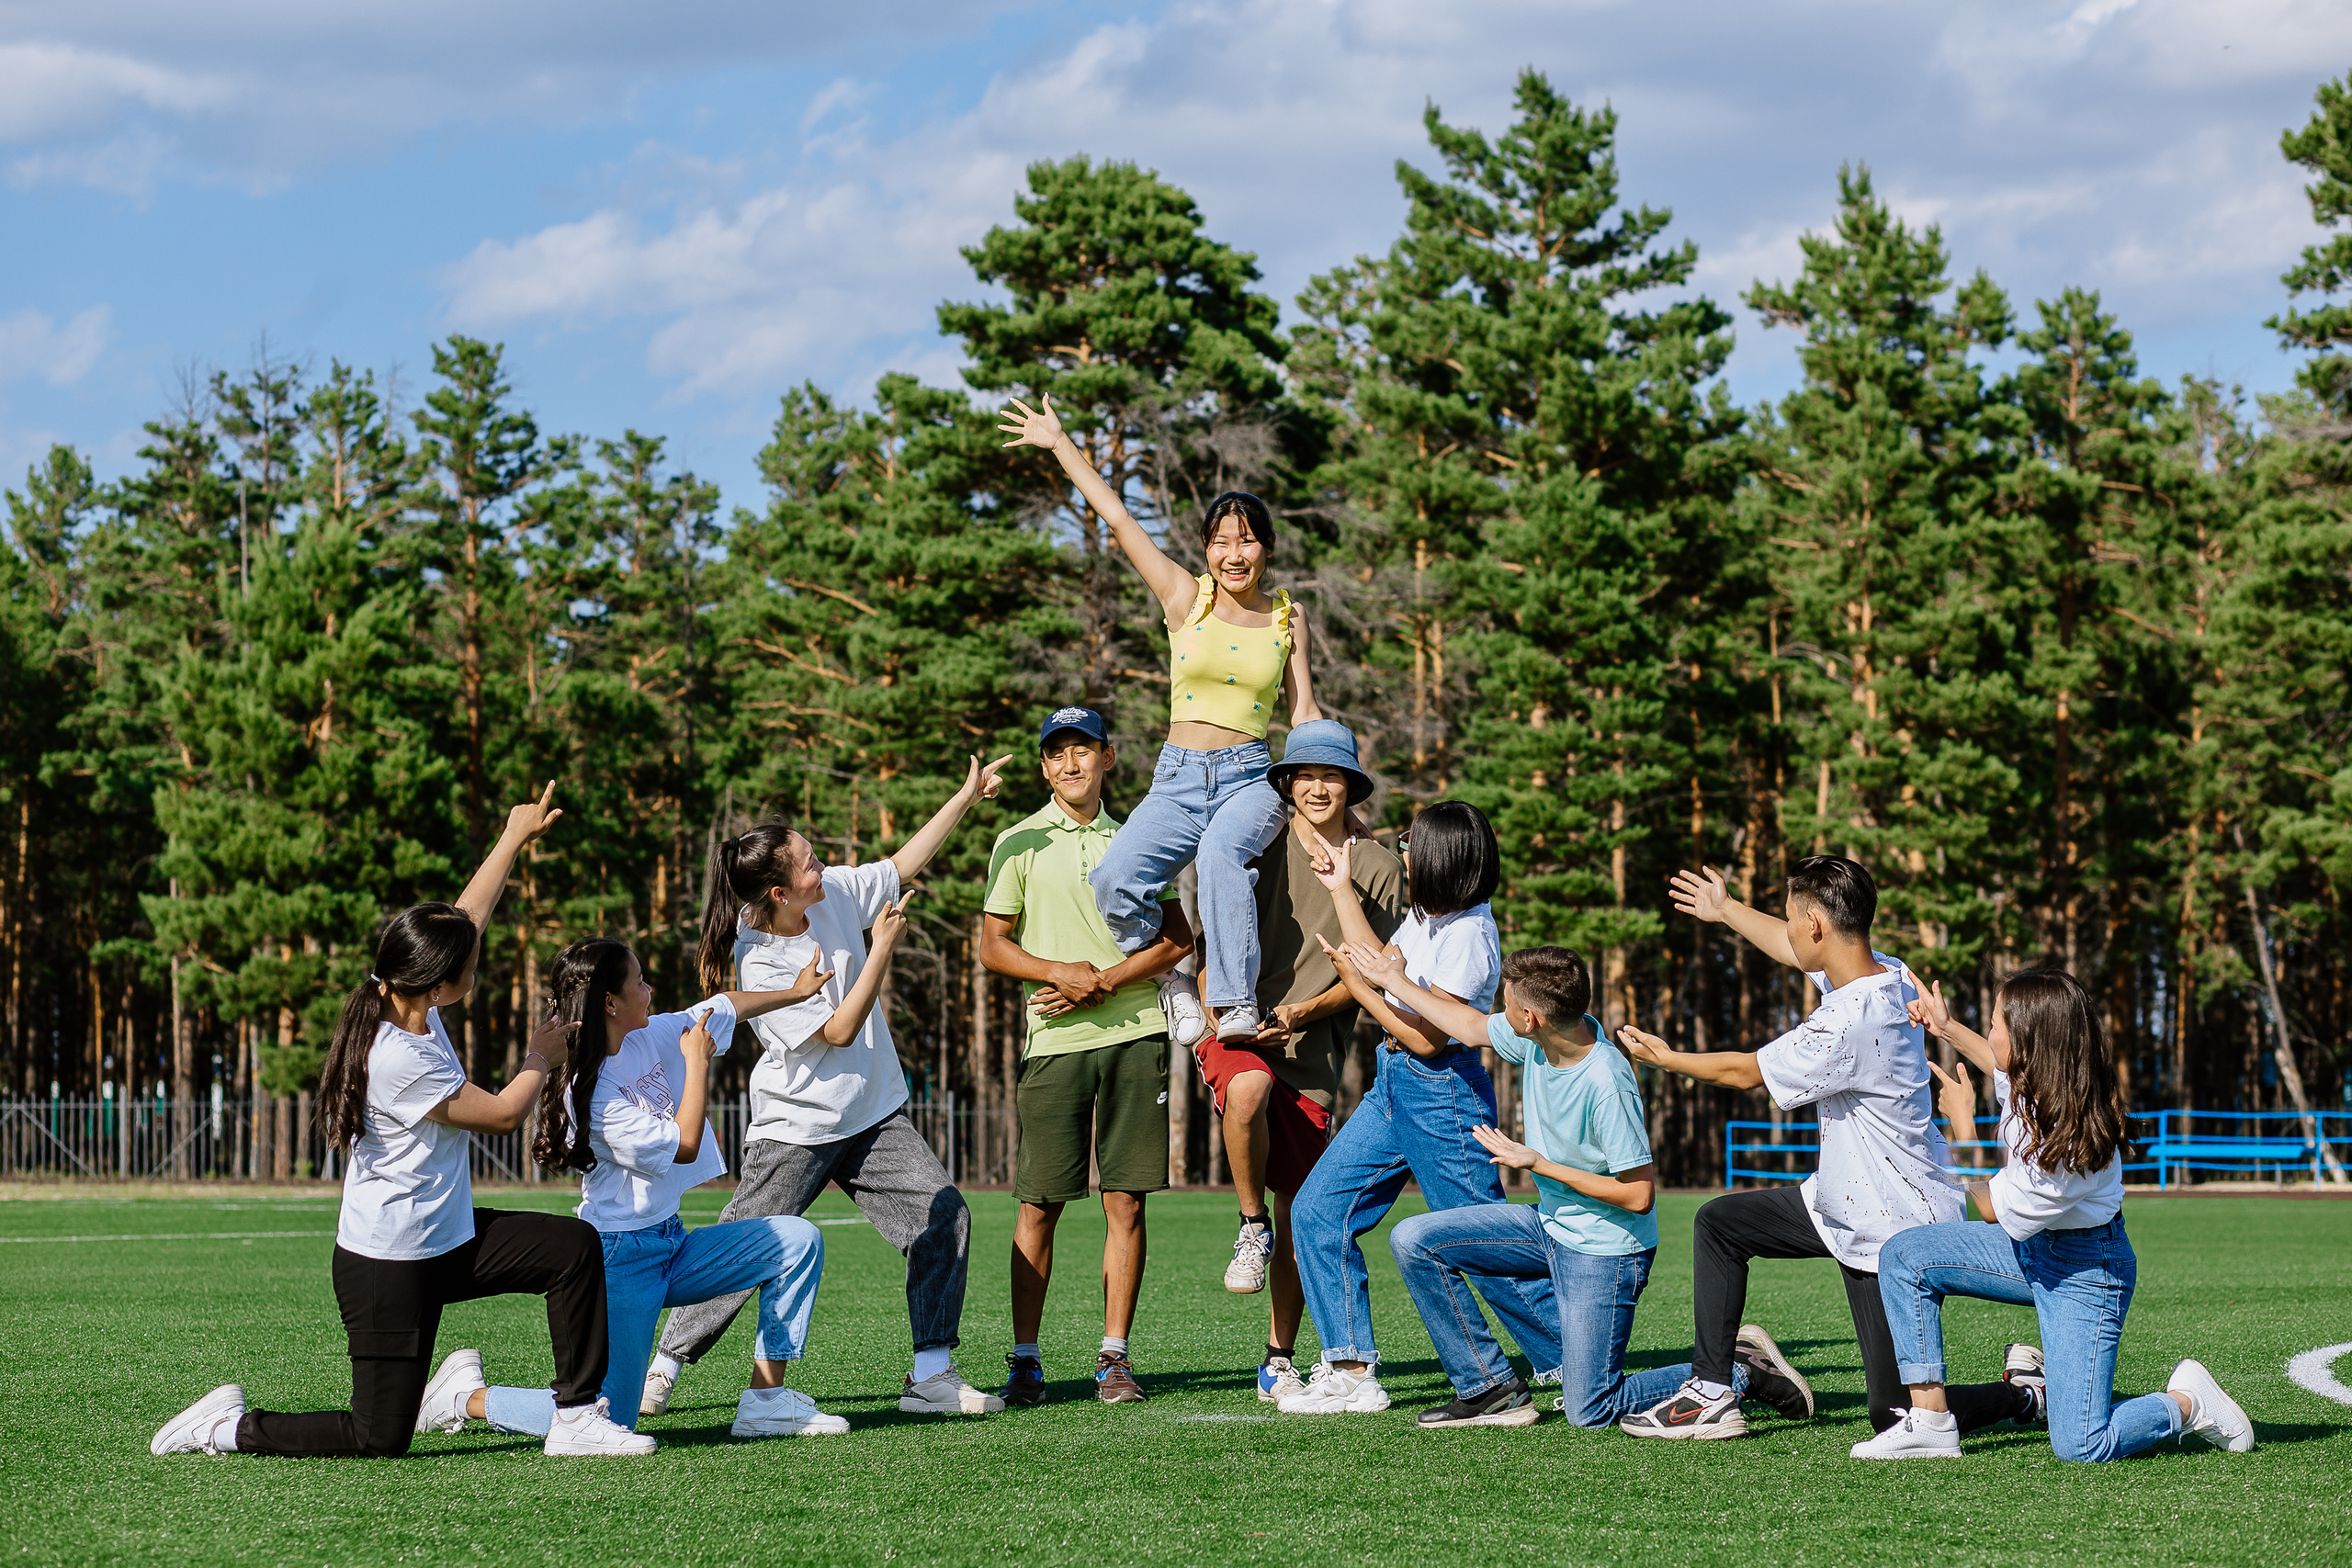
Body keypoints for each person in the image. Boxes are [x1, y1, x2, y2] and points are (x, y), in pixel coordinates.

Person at [152, 786, 649, 1460]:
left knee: (572, 1249)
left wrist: (512, 837)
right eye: (469, 965)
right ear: (440, 984)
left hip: (447, 1240)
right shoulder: (398, 1056)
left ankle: (576, 1416)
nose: (478, 959)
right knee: (376, 1436)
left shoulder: (412, 999)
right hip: (389, 1264)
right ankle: (224, 1427)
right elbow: (503, 1114)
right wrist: (540, 1055)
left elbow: (466, 919)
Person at [640, 755, 1012, 1419]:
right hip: (798, 1128)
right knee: (739, 1246)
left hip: (873, 1114)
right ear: (780, 892)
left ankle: (931, 1373)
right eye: (808, 862)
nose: (823, 864)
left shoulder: (832, 889)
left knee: (945, 1215)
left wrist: (965, 798)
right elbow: (840, 1030)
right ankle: (662, 1369)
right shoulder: (762, 956)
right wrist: (882, 949)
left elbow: (900, 865)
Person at [1611, 856, 2029, 1440]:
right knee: (1722, 1225)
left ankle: (2024, 1395)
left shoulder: (1848, 1022)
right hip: (1842, 1197)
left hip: (1891, 1221)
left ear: (1815, 925)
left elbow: (1743, 1072)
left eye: (1790, 920)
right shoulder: (1890, 972)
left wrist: (1667, 1058)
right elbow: (1793, 950)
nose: (1785, 933)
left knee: (1894, 1412)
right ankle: (1712, 1391)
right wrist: (1726, 909)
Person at [416, 937, 846, 1447]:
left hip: (673, 1243)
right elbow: (685, 1145)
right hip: (617, 1260)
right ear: (609, 1003)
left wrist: (796, 993)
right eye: (639, 981)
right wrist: (699, 1063)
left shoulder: (650, 1033)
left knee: (796, 1241)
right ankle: (467, 1397)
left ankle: (767, 1401)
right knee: (612, 1420)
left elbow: (723, 1007)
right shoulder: (593, 1094)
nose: (650, 988)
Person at [998, 392, 1319, 1044]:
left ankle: (1232, 1003)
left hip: (1250, 777)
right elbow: (1118, 517)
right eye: (1222, 540)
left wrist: (1331, 792)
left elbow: (1304, 709)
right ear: (1206, 550)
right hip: (1177, 778)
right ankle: (1171, 977)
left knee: (1224, 853)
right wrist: (1061, 443)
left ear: (1267, 549)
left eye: (1248, 539)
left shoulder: (1288, 616)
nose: (1235, 553)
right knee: (1114, 878)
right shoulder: (1184, 597)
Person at [1343, 942, 1761, 1429]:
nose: (1500, 1009)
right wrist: (1394, 981)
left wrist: (1538, 1164)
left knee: (1591, 1410)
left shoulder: (1607, 1082)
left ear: (1530, 1017)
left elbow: (1638, 1195)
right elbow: (1468, 1026)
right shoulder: (1539, 1039)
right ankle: (1487, 1388)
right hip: (1551, 1227)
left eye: (1507, 1000)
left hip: (1607, 1250)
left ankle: (1739, 1369)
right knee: (1415, 1240)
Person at [1859, 969, 2256, 1461]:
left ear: (2029, 1041)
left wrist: (1962, 1125)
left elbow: (1989, 1210)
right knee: (1906, 1256)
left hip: (2086, 1271)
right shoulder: (2040, 1080)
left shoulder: (2064, 1147)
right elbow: (1997, 1064)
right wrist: (1945, 1028)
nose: (1989, 1033)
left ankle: (2187, 1402)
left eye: (1995, 1024)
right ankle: (1931, 1422)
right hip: (2035, 1249)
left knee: (2082, 1445)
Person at [1276, 801, 1563, 1416]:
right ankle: (1350, 1368)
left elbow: (1429, 1035)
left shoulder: (1469, 934)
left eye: (1411, 841)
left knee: (1479, 1241)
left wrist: (1358, 992)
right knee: (1318, 1210)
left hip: (1442, 1091)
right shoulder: (1430, 916)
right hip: (1395, 1082)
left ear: (1443, 855)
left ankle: (1571, 1354)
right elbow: (1380, 962)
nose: (1401, 848)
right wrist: (1341, 888)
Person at [980, 705, 1195, 1405]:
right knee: (1039, 1203)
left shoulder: (1140, 839)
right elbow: (993, 947)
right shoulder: (1016, 841)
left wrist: (1100, 981)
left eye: (1084, 750)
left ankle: (1114, 1357)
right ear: (1044, 767)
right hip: (1055, 1042)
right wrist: (1058, 972)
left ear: (1108, 757)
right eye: (1057, 754)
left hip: (1134, 1033)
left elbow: (1175, 939)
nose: (1071, 764)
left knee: (1125, 1201)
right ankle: (1025, 1359)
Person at [1197, 718, 1402, 1403]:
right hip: (1238, 1032)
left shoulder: (1377, 865)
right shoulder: (1254, 839)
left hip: (1313, 1047)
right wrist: (1213, 1003)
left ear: (1351, 785)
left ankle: (1279, 1355)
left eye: (1332, 775)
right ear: (1285, 782)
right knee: (1248, 1090)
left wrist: (1302, 1013)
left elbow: (1376, 972)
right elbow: (1211, 937)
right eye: (1305, 774)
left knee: (1304, 1210)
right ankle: (1246, 1223)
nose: (1317, 786)